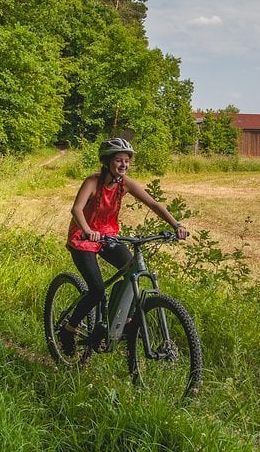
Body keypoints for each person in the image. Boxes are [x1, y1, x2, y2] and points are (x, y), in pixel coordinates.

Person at [59, 137, 189, 355]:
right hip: (83, 237)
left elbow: (153, 204)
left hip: (108, 236)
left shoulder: (125, 183)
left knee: (132, 270)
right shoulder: (92, 181)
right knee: (97, 290)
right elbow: (77, 209)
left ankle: (124, 321)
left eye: (127, 161)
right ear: (107, 161)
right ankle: (68, 329)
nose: (124, 165)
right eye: (119, 160)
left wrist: (176, 224)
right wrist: (87, 230)